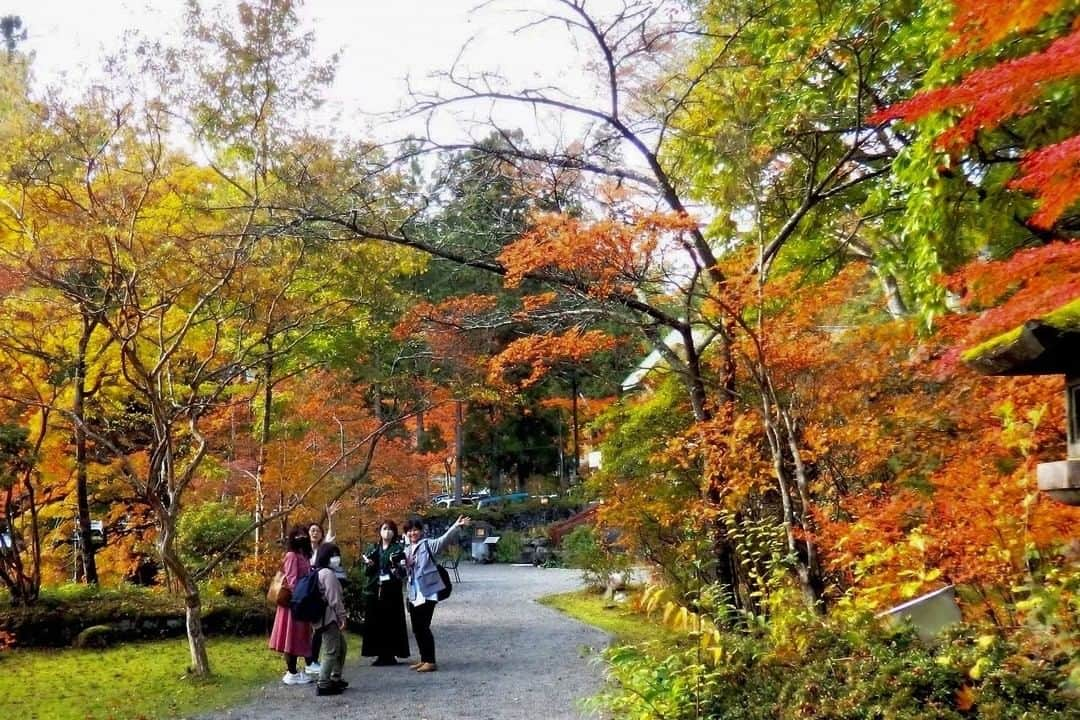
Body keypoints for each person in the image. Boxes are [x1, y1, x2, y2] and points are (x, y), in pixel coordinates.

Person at [401, 514, 472, 673]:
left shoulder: (428, 545)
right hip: (414, 593)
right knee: (417, 628)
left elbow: (443, 540)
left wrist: (456, 526)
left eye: (415, 530)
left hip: (428, 592)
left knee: (423, 627)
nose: (413, 533)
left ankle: (430, 661)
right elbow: (403, 573)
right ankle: (424, 658)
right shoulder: (406, 550)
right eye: (410, 531)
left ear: (421, 531)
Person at [360, 520, 409, 666]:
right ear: (380, 531)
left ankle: (391, 654)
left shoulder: (398, 549)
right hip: (375, 588)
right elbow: (367, 572)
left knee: (391, 621)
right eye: (384, 528)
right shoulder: (373, 548)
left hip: (391, 589)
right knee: (376, 622)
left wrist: (395, 567)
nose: (387, 532)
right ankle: (379, 653)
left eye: (390, 529)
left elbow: (402, 571)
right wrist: (369, 565)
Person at [269, 526, 313, 685]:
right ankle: (291, 672)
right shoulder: (292, 556)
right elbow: (292, 580)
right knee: (291, 636)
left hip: (299, 602)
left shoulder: (304, 555)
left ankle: (295, 671)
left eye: (303, 534)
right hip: (293, 604)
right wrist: (302, 598)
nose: (301, 537)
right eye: (297, 535)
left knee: (298, 636)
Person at [305, 500, 341, 677]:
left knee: (320, 628)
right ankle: (309, 661)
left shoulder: (323, 550)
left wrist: (330, 518)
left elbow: (331, 534)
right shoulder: (303, 552)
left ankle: (314, 660)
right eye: (312, 530)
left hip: (322, 592)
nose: (315, 533)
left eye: (317, 531)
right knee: (311, 629)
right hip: (308, 592)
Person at [312, 542, 349, 696]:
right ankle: (324, 683)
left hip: (322, 617)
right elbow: (334, 599)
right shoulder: (327, 574)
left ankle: (335, 677)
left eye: (337, 555)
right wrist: (342, 617)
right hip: (328, 618)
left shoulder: (317, 572)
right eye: (333, 555)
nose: (336, 558)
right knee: (331, 650)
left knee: (341, 646)